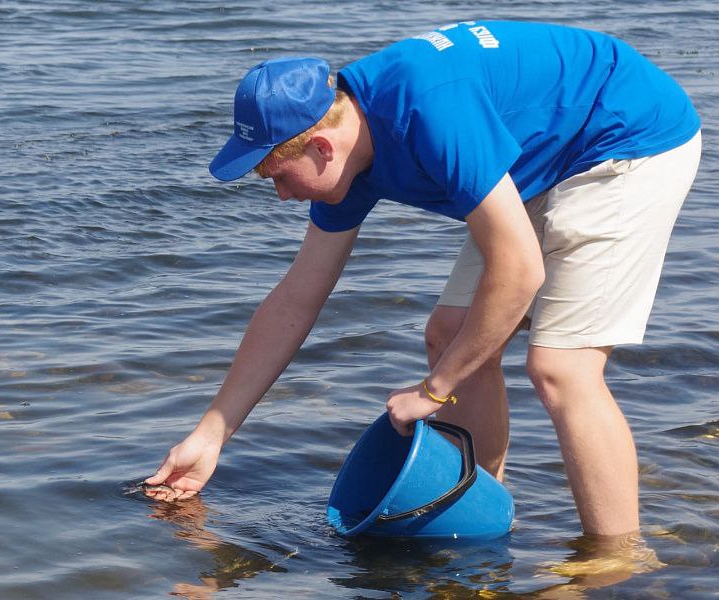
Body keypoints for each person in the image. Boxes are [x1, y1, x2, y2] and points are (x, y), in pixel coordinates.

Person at [145, 20, 701, 537]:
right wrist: (212, 433)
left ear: (319, 146)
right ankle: (483, 512)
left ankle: (617, 566)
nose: (281, 195)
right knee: (450, 336)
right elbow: (296, 298)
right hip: (540, 152)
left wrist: (434, 392)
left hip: (625, 134)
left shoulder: (430, 112)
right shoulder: (349, 157)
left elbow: (522, 270)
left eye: (277, 175)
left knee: (560, 367)